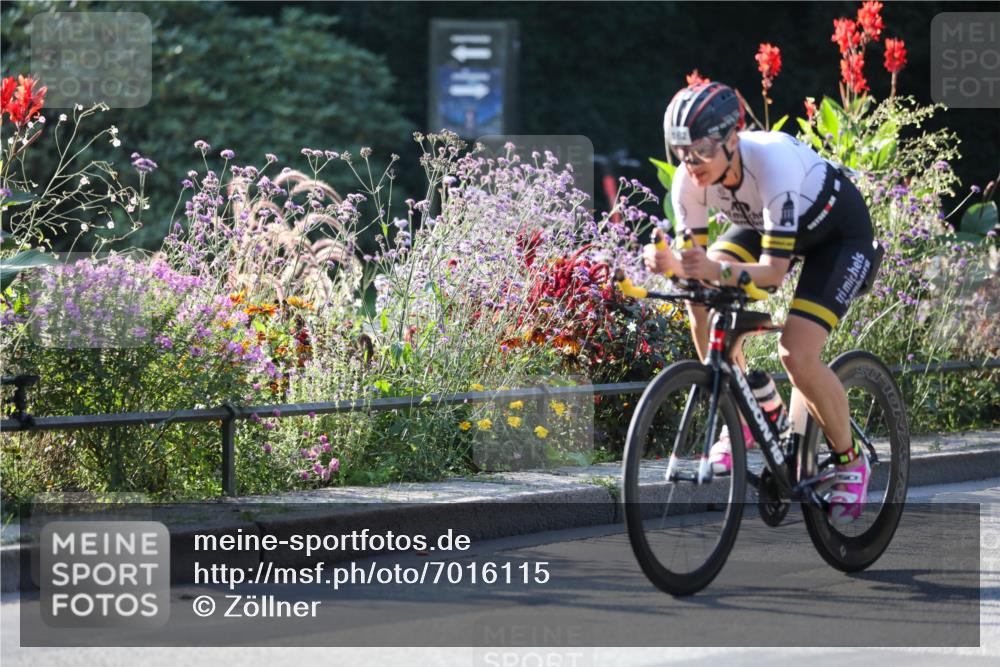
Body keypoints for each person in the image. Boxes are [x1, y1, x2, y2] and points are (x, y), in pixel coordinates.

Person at [643, 80, 878, 526]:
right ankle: (749, 403)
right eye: (682, 152)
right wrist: (669, 263)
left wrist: (704, 268)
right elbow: (696, 266)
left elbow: (771, 271)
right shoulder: (688, 183)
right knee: (700, 300)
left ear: (733, 138)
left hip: (837, 234)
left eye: (702, 151)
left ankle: (850, 460)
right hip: (763, 226)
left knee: (797, 353)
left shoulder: (770, 164)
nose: (691, 165)